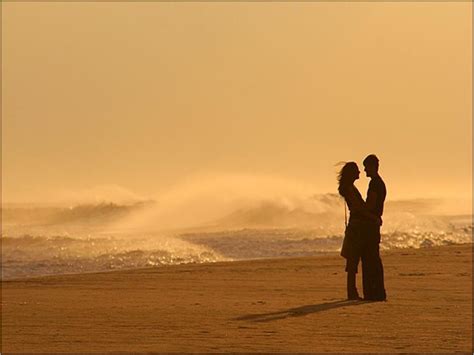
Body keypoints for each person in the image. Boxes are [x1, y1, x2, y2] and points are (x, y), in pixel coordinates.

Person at [337, 162, 381, 300]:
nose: (359, 173)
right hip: (357, 226)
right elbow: (358, 208)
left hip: (356, 225)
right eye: (356, 171)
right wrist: (373, 218)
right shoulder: (349, 189)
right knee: (353, 260)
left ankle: (352, 290)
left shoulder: (349, 188)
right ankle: (352, 292)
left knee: (353, 259)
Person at [361, 154, 387, 301]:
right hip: (374, 223)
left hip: (371, 226)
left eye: (366, 167)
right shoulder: (380, 183)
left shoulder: (375, 184)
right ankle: (377, 292)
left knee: (371, 259)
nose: (365, 170)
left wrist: (360, 209)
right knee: (374, 259)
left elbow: (371, 205)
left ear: (372, 167)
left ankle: (374, 292)